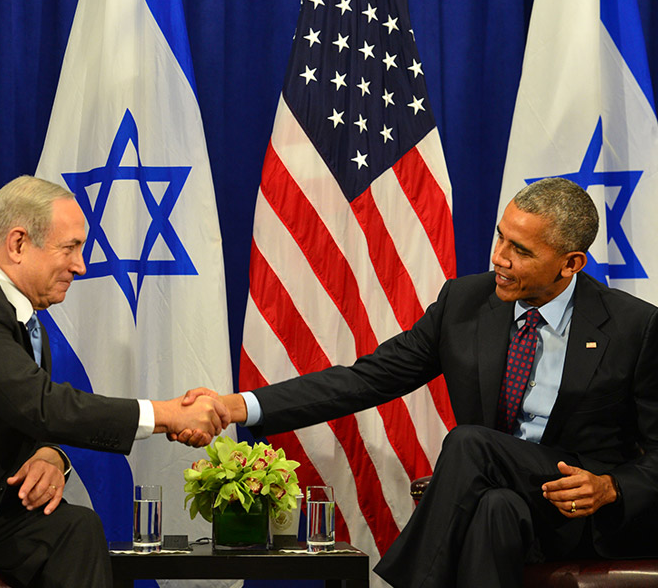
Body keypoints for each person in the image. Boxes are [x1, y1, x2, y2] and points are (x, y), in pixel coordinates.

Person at [183, 177, 658, 587]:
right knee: (494, 506)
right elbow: (367, 379)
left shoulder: (634, 328)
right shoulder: (466, 303)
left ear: (571, 263)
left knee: (471, 443)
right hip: (503, 503)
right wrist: (237, 406)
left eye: (521, 250)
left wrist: (612, 486)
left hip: (580, 511)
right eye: (500, 239)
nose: (499, 258)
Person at [0, 176, 231, 588]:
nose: (81, 265)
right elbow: (39, 405)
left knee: (74, 530)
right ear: (18, 243)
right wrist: (166, 415)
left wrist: (50, 454)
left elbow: (11, 410)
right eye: (70, 247)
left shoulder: (20, 318)